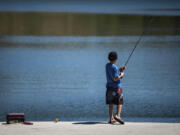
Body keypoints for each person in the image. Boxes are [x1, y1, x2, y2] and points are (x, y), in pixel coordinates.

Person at [105, 51, 125, 124]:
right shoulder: (115, 67)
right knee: (120, 102)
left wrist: (120, 69)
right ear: (116, 58)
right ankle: (118, 116)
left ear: (108, 58)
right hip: (117, 88)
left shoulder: (107, 65)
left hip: (109, 88)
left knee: (111, 103)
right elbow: (115, 78)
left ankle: (111, 118)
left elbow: (112, 71)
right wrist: (121, 75)